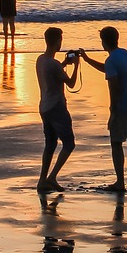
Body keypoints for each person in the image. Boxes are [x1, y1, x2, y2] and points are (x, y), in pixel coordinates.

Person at [79, 26, 127, 191]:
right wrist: (87, 59)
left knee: (116, 143)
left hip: (124, 107)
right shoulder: (125, 54)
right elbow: (108, 69)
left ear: (103, 42)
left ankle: (120, 182)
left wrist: (112, 111)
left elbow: (113, 88)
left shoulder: (112, 60)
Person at [36, 27, 81, 192]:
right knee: (69, 143)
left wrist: (64, 64)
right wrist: (75, 65)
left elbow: (53, 73)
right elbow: (71, 83)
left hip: (44, 107)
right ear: (57, 41)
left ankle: (42, 180)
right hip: (57, 108)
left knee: (50, 144)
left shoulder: (41, 60)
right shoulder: (54, 64)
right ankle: (52, 177)